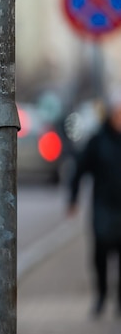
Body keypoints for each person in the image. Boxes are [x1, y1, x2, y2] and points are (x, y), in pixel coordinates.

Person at [68, 91, 121, 317]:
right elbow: (79, 170)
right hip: (102, 207)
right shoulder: (97, 141)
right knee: (100, 253)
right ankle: (100, 297)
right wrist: (73, 198)